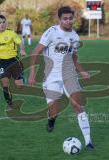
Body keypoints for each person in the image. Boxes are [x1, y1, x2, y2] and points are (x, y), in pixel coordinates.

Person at [28, 6, 94, 150]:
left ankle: (88, 141)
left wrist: (82, 71)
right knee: (54, 111)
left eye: (70, 18)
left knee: (77, 105)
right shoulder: (51, 32)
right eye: (65, 19)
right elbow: (35, 52)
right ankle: (51, 120)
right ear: (59, 20)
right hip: (51, 77)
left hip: (69, 74)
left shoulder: (75, 36)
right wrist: (32, 74)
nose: (68, 21)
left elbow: (74, 57)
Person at [0, 15, 26, 111]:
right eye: (0, 22)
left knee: (20, 86)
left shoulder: (11, 33)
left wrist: (22, 50)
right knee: (4, 83)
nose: (2, 24)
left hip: (14, 60)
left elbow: (20, 43)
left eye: (4, 22)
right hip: (3, 63)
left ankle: (22, 76)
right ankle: (9, 103)